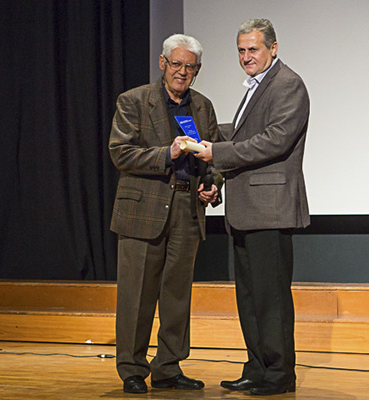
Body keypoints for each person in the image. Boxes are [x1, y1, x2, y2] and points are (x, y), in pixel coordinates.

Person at [196, 18, 310, 396]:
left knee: (271, 298)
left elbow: (274, 140)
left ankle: (279, 374)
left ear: (273, 49)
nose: (246, 57)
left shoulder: (287, 84)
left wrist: (216, 150)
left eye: (253, 49)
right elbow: (242, 133)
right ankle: (257, 367)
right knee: (249, 298)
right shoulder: (257, 86)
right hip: (247, 210)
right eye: (241, 50)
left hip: (270, 208)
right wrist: (202, 135)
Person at [108, 33, 222, 394]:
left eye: (190, 66)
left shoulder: (202, 107)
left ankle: (168, 367)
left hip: (187, 210)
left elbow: (215, 157)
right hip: (144, 209)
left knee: (177, 296)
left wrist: (212, 184)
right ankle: (132, 369)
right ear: (163, 63)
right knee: (136, 296)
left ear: (197, 70)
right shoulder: (133, 101)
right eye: (176, 64)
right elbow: (120, 152)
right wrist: (166, 154)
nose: (182, 72)